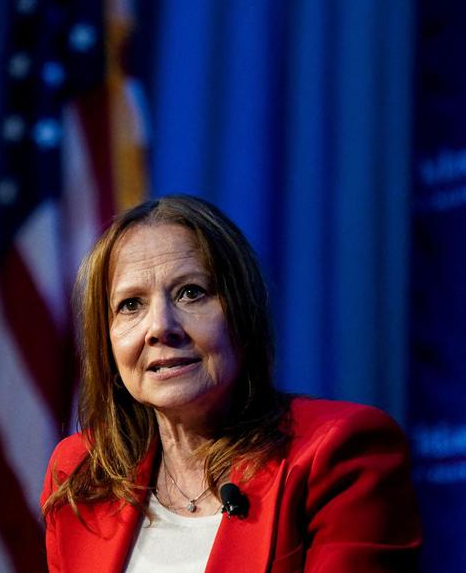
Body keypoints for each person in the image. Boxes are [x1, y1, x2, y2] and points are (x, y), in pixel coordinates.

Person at [40, 195, 421, 573]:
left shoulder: (339, 452)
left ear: (243, 311)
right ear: (106, 341)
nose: (160, 327)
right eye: (130, 305)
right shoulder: (83, 474)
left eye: (191, 293)